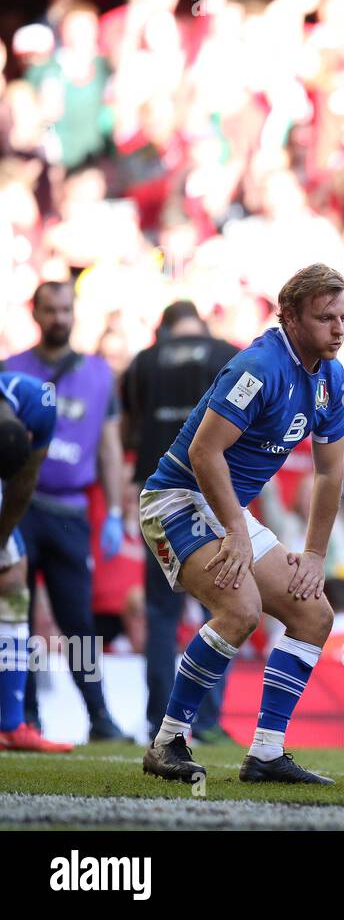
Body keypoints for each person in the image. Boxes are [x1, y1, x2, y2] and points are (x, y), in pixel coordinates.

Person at [137, 263, 344, 785]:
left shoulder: (332, 375)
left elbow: (329, 472)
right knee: (240, 609)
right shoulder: (258, 367)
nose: (339, 329)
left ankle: (266, 753)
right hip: (176, 499)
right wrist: (236, 529)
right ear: (291, 317)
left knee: (314, 615)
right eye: (326, 318)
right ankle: (166, 742)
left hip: (225, 507)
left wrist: (316, 554)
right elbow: (204, 451)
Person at [6, 281, 130, 741]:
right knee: (17, 619)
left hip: (70, 513)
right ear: (35, 314)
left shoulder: (100, 375)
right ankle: (24, 717)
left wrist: (115, 511)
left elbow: (110, 448)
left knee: (77, 621)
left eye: (66, 309)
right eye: (50, 310)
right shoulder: (10, 370)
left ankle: (99, 716)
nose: (59, 318)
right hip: (19, 510)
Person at [120, 300, 239, 743]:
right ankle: (207, 721)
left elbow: (129, 431)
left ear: (162, 330)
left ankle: (159, 721)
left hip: (160, 500)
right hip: (215, 499)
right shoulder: (228, 355)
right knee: (227, 608)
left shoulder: (143, 363)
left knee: (161, 614)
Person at [0, 371, 71, 751]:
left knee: (12, 580)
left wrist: (2, 537)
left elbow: (25, 480)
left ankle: (11, 724)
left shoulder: (37, 404)